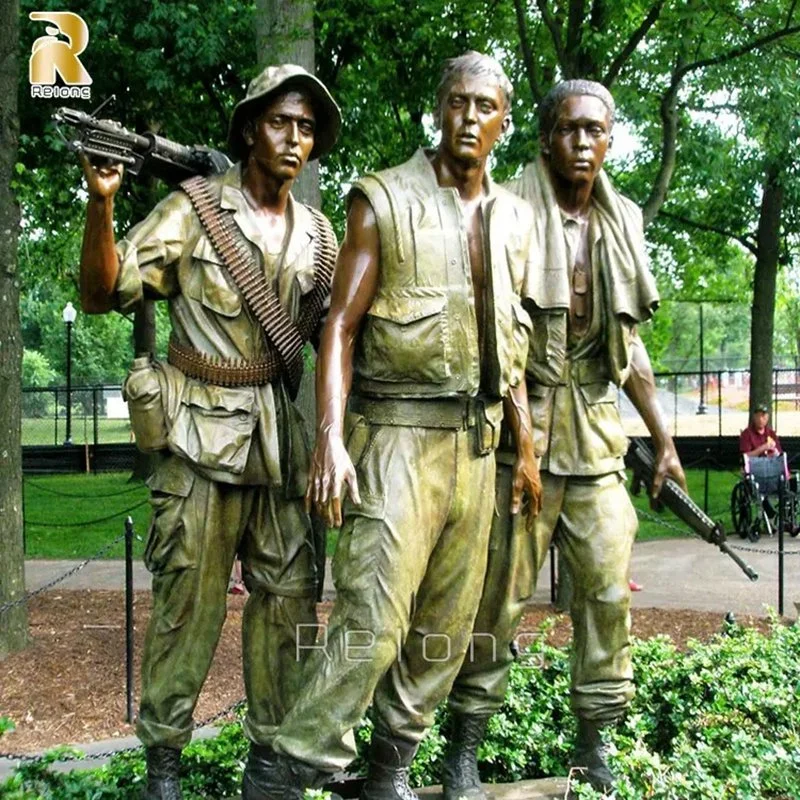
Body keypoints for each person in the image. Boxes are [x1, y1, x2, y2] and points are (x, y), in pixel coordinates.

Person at [243, 52, 542, 800]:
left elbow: (516, 352)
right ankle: (283, 770)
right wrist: (330, 437)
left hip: (477, 446)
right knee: (372, 618)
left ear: (504, 121)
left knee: (445, 623)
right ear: (438, 110)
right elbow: (338, 326)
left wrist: (526, 449)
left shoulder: (513, 219)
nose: (469, 119)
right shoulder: (382, 198)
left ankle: (389, 772)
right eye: (457, 103)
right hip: (399, 437)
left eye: (485, 107)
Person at [77, 64, 341, 800]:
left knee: (290, 602)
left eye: (307, 127)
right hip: (198, 441)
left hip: (282, 447)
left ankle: (271, 765)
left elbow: (333, 344)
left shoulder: (320, 235)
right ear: (251, 128)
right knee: (187, 608)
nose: (294, 138)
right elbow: (104, 291)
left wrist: (334, 436)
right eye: (282, 121)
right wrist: (101, 207)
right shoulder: (193, 210)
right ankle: (164, 764)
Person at [444, 79, 687, 798]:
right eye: (571, 130)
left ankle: (594, 743)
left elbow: (629, 349)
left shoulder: (623, 222)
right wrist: (523, 443)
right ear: (546, 136)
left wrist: (663, 437)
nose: (584, 144)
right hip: (526, 434)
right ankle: (465, 746)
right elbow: (500, 339)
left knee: (609, 594)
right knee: (497, 601)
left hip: (598, 443)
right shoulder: (507, 212)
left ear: (610, 141)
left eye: (597, 132)